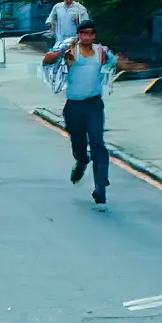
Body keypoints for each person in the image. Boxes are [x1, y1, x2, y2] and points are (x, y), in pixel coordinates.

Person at [42, 19, 116, 210]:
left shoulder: (101, 52)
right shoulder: (70, 51)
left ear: (94, 36)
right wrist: (61, 53)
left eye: (90, 33)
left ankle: (101, 187)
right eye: (83, 33)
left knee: (98, 144)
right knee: (79, 144)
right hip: (74, 106)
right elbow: (47, 60)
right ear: (79, 35)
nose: (87, 37)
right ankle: (82, 160)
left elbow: (115, 64)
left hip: (94, 105)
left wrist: (128, 65)